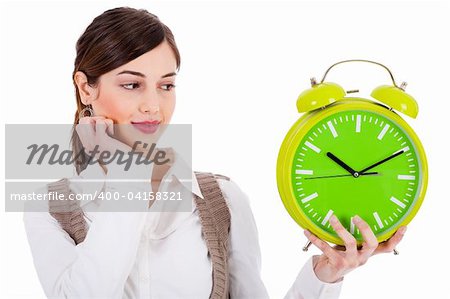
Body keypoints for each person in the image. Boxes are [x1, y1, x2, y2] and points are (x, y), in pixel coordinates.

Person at [23, 7, 406, 299]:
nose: (153, 106)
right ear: (86, 88)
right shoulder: (48, 206)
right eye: (131, 84)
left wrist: (327, 273)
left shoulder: (220, 200)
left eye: (166, 86)